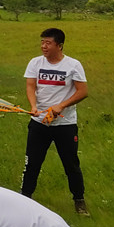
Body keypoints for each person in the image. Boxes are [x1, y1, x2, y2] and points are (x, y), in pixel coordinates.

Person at [22, 28, 89, 215]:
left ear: (59, 45)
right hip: (39, 123)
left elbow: (82, 91)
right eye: (42, 42)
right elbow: (30, 85)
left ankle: (79, 200)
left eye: (48, 43)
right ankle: (24, 198)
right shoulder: (35, 63)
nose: (43, 46)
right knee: (32, 163)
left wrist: (61, 106)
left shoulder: (73, 65)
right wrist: (33, 106)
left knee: (71, 164)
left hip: (65, 125)